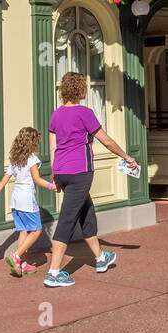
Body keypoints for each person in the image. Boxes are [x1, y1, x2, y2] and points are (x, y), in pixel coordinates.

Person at [43, 72, 138, 288]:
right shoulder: (85, 113)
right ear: (81, 90)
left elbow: (53, 147)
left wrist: (55, 173)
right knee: (67, 219)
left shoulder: (55, 114)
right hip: (80, 172)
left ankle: (100, 257)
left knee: (86, 212)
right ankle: (54, 272)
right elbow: (104, 140)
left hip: (63, 172)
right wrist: (126, 157)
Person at [0, 126, 56, 277]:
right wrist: (51, 186)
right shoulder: (33, 160)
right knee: (36, 230)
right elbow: (37, 179)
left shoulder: (15, 160)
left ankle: (22, 264)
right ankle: (17, 256)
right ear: (33, 142)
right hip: (27, 199)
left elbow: (3, 181)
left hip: (15, 200)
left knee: (23, 230)